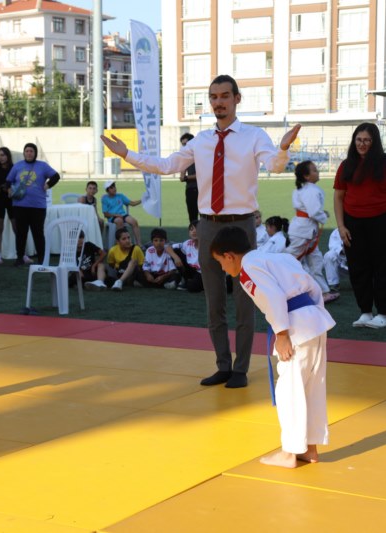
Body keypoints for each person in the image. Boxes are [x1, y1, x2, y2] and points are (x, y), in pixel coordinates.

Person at [101, 74, 301, 389]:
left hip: (242, 224)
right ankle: (223, 364)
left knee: (245, 298)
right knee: (213, 300)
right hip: (208, 226)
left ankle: (241, 369)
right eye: (213, 97)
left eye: (224, 96)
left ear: (237, 98)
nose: (218, 102)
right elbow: (166, 165)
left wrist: (284, 149)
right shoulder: (201, 141)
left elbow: (274, 165)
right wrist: (126, 154)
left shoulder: (254, 136)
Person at [210, 226, 333, 468]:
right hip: (314, 321)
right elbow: (313, 287)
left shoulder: (248, 268)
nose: (223, 269)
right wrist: (317, 315)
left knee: (289, 389)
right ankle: (310, 448)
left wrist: (282, 334)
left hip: (294, 326)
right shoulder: (278, 257)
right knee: (312, 387)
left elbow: (274, 298)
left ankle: (290, 452)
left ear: (229, 256)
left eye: (220, 263)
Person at [333, 123, 386, 329]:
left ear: (374, 142)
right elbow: (338, 197)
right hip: (353, 223)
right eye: (358, 140)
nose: (362, 144)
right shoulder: (346, 165)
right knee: (358, 269)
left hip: (383, 221)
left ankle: (383, 313)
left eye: (366, 140)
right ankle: (365, 312)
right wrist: (341, 226)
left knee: (382, 268)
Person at [287, 161, 339, 303]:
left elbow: (311, 210)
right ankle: (284, 288)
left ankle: (323, 292)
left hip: (307, 231)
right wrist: (324, 217)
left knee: (316, 261)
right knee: (290, 261)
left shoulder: (304, 189)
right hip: (303, 232)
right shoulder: (310, 190)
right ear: (306, 176)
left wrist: (321, 215)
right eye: (314, 170)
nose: (318, 172)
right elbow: (313, 212)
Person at [5, 142, 60, 266]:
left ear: (35, 153)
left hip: (38, 206)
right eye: (27, 151)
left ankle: (42, 259)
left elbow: (56, 176)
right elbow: (8, 181)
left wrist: (48, 185)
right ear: (24, 153)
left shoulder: (43, 166)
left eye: (31, 151)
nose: (29, 153)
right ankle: (19, 258)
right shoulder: (17, 166)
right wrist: (9, 190)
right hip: (20, 205)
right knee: (21, 233)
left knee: (38, 233)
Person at [101, 180, 142, 246]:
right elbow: (105, 214)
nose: (114, 188)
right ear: (107, 190)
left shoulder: (120, 196)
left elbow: (132, 203)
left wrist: (142, 200)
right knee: (119, 221)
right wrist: (116, 215)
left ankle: (139, 244)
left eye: (114, 186)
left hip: (123, 215)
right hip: (112, 217)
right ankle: (121, 244)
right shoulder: (104, 199)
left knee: (134, 221)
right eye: (111, 187)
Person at [170, 222, 203, 293]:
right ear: (189, 233)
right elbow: (168, 247)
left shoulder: (207, 245)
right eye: (191, 229)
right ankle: (185, 279)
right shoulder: (187, 243)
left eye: (197, 229)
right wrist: (176, 258)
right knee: (176, 251)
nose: (194, 231)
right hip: (193, 270)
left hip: (204, 273)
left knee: (192, 287)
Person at [179, 132, 199, 224]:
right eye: (182, 144)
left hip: (201, 189)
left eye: (185, 144)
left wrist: (186, 178)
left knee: (205, 217)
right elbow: (182, 176)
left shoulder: (199, 156)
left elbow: (201, 174)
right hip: (190, 189)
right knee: (192, 218)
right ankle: (195, 237)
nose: (184, 147)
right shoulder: (185, 157)